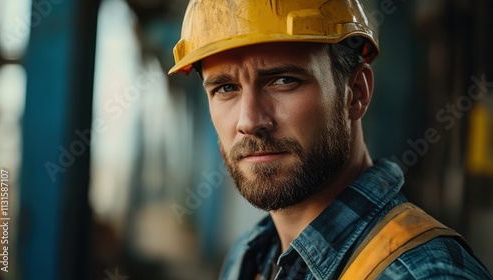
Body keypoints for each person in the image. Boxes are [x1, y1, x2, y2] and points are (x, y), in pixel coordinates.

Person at [169, 0, 493, 279]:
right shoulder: (249, 255)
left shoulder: (420, 273)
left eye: (283, 80)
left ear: (356, 94)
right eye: (225, 88)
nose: (250, 122)